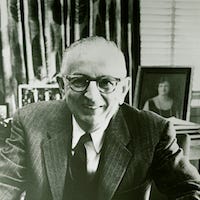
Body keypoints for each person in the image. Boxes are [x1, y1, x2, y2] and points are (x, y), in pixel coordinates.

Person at [0, 36, 200, 200]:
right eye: (79, 81)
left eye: (106, 83)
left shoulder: (151, 130)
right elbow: (4, 185)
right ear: (62, 86)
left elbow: (190, 190)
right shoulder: (29, 121)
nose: (91, 96)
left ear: (123, 89)